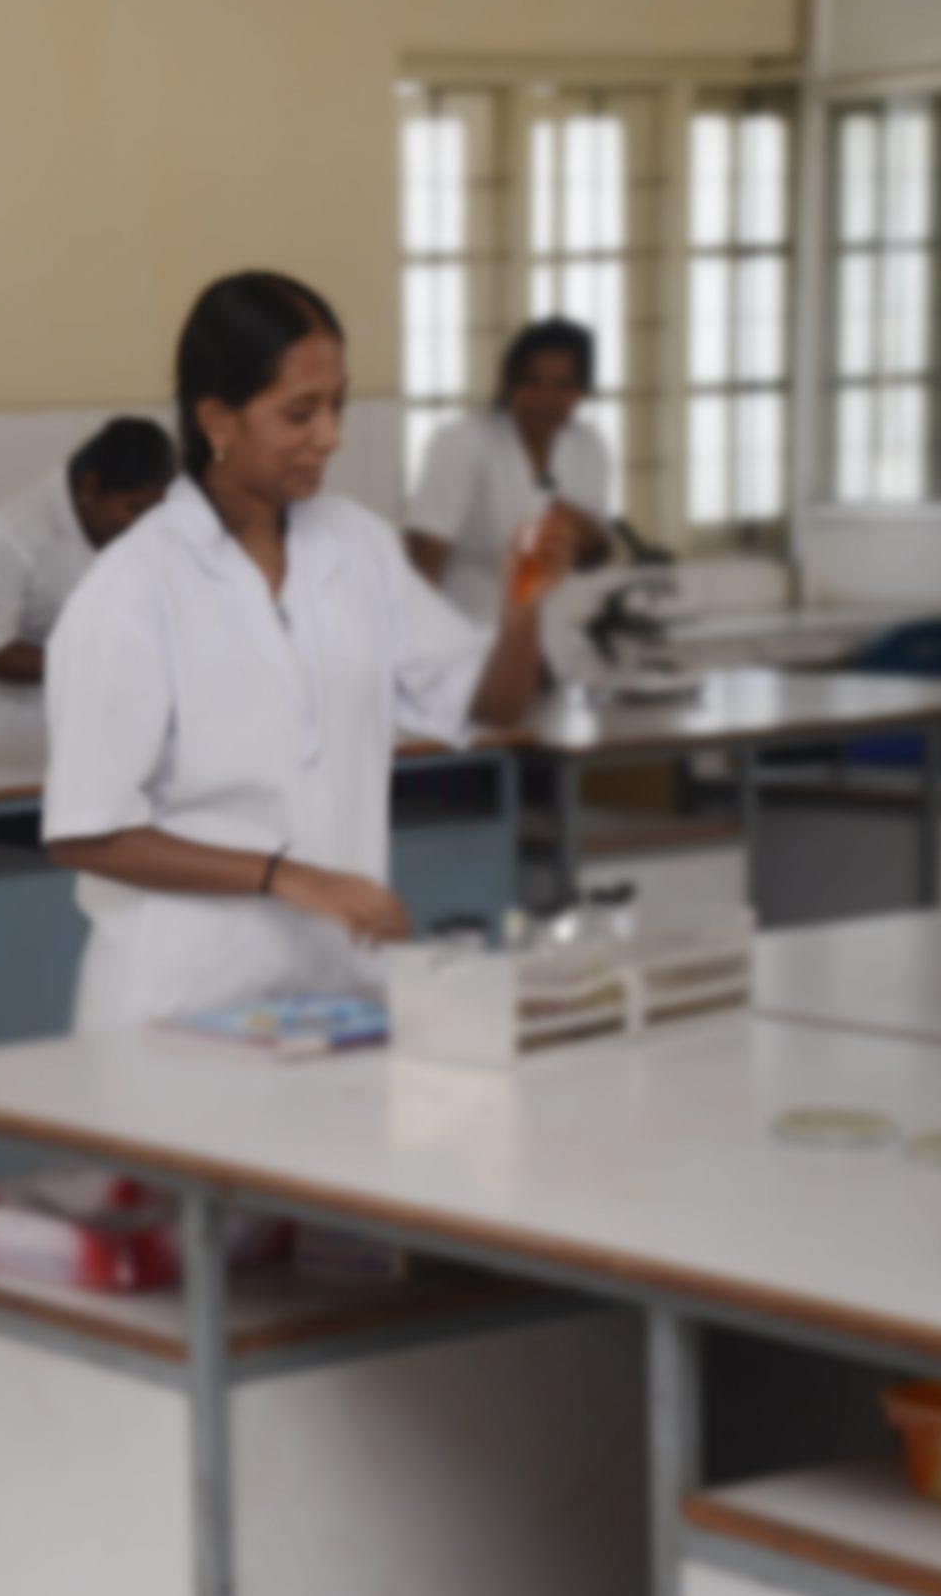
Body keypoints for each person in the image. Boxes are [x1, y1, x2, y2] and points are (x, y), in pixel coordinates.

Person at [42, 271, 568, 1031]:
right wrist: (286, 877)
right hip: (182, 1007)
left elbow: (492, 702)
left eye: (337, 405)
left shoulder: (356, 546)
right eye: (301, 412)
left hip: (338, 997)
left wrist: (524, 605)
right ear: (218, 417)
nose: (331, 435)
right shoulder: (135, 588)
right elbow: (86, 830)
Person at [0, 416, 175, 742]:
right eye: (134, 509)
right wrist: (95, 665)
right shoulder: (9, 536)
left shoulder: (136, 534)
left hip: (69, 717)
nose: (144, 524)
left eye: (155, 511)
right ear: (90, 487)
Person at [404, 317, 615, 622]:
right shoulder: (464, 442)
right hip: (465, 628)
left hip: (549, 631)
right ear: (510, 383)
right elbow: (424, 555)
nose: (545, 398)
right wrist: (421, 637)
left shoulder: (588, 446)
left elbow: (595, 554)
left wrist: (566, 519)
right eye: (531, 382)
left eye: (562, 385)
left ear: (581, 392)